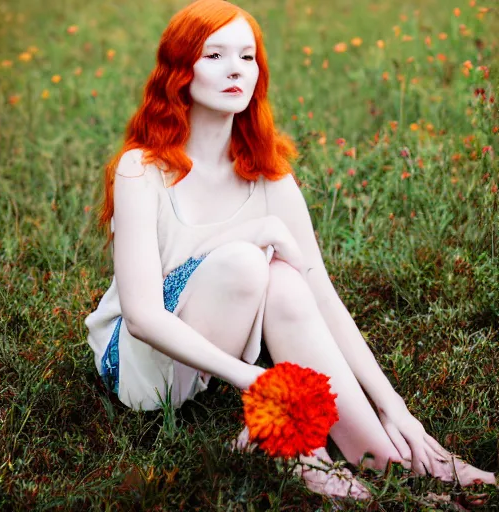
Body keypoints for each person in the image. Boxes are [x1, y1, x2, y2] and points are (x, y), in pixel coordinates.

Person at [85, 0, 497, 500]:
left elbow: (322, 298)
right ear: (179, 72)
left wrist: (396, 407)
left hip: (211, 353)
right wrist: (260, 384)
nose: (236, 68)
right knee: (245, 258)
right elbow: (142, 317)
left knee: (285, 278)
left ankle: (389, 456)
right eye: (213, 55)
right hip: (140, 370)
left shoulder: (270, 177)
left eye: (247, 56)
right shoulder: (141, 168)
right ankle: (293, 443)